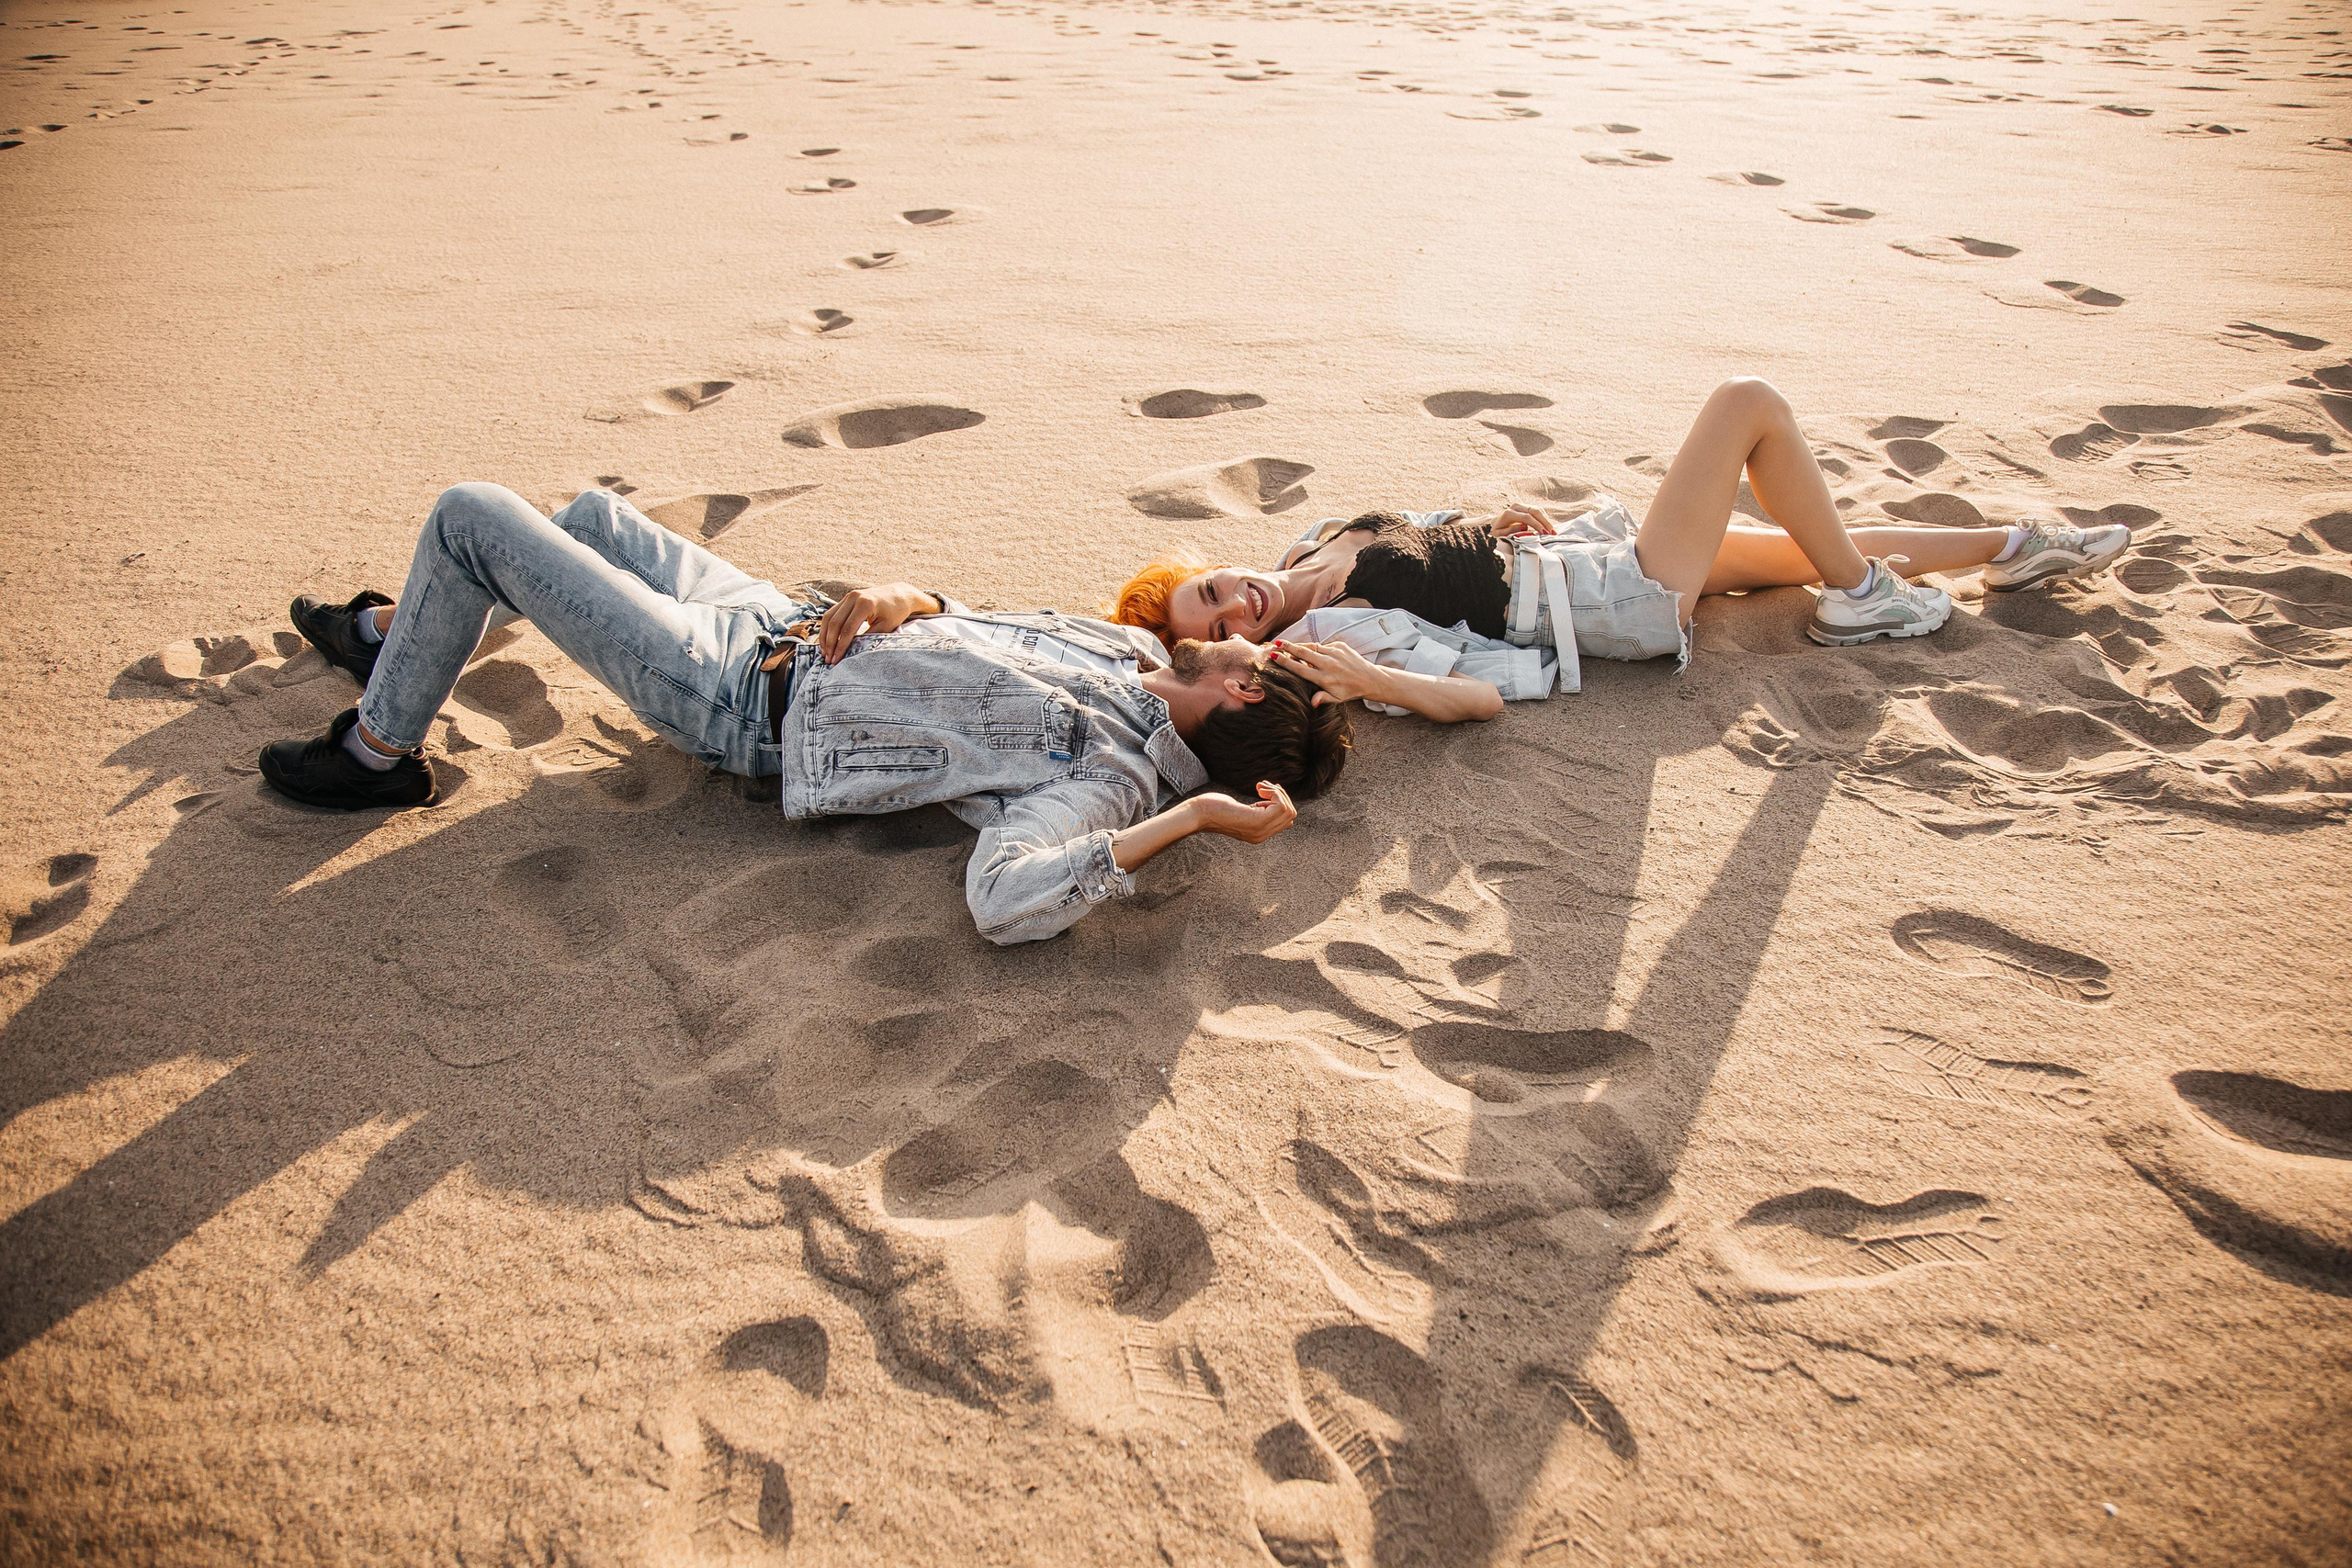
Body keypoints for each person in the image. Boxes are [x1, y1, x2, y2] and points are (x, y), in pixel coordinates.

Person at [261, 482, 1351, 943]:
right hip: (781, 618)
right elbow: (963, 622)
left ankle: (377, 750)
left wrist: (1196, 819)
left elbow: (1003, 903)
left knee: (473, 515)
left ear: (1244, 688)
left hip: (738, 697)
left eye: (1264, 655)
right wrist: (909, 596)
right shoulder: (1128, 647)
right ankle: (404, 638)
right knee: (588, 514)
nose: (1257, 634)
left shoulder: (1111, 782)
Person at [1106, 378, 2134, 723]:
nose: (1237, 605)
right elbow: (1476, 698)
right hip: (1619, 603)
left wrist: (1491, 522)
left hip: (1583, 557)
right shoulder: (1333, 633)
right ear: (1235, 649)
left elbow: (1428, 542)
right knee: (1745, 406)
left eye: (1209, 589)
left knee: (1811, 542)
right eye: (1223, 625)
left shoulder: (1306, 542)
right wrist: (1375, 678)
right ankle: (1868, 597)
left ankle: (2016, 545)